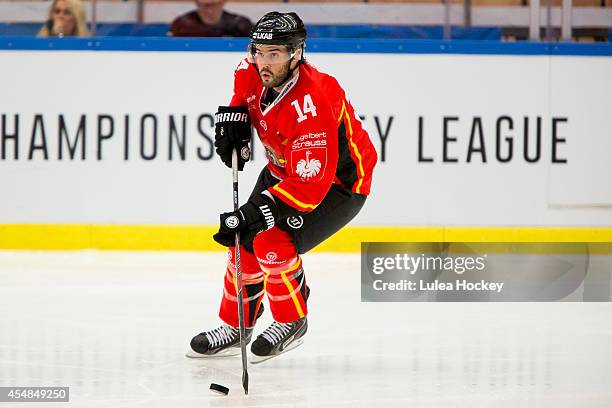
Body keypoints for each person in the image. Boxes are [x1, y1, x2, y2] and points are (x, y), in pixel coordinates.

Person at [187, 11, 377, 363]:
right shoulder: (252, 69)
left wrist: (256, 210)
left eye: (274, 53)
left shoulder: (315, 100)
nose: (263, 61)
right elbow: (242, 95)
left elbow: (310, 185)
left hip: (337, 184)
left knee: (271, 239)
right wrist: (234, 121)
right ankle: (237, 326)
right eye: (259, 51)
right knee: (242, 241)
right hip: (283, 170)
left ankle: (292, 321)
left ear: (296, 54)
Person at [168, 0, 252, 37]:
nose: (209, 11)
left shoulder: (241, 25)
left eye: (213, 5)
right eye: (205, 6)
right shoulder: (181, 25)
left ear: (223, 2)